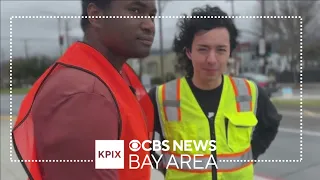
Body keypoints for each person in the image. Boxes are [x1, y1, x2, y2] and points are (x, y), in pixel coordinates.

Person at [12, 0, 157, 180]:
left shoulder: (106, 78)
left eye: (152, 16)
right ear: (96, 16)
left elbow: (112, 163)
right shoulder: (87, 94)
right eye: (135, 10)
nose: (150, 25)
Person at [148, 5, 282, 180]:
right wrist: (162, 165)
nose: (211, 59)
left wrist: (250, 155)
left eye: (220, 50)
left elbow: (270, 125)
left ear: (230, 53)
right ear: (188, 52)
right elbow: (130, 139)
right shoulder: (161, 97)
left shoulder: (250, 92)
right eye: (203, 49)